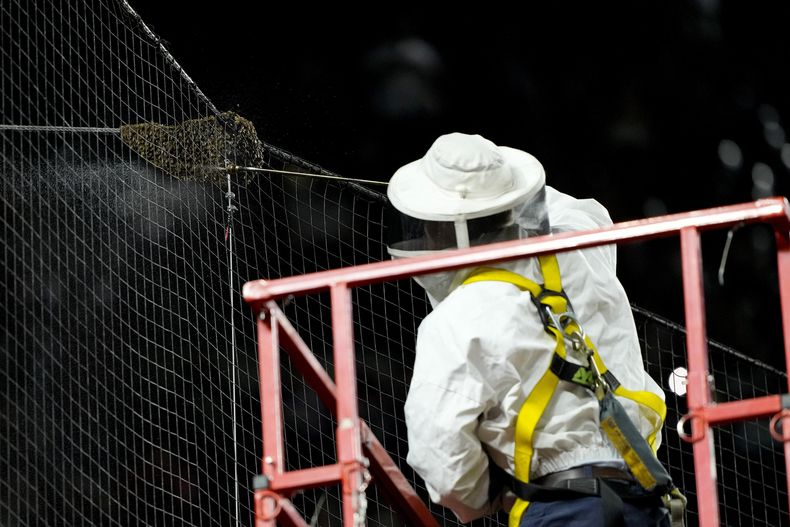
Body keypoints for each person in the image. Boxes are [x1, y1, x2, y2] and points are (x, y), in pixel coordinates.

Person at [387, 132, 677, 526]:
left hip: (561, 507)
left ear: (442, 230)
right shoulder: (579, 244)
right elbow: (575, 208)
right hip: (646, 501)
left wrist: (489, 498)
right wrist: (494, 183)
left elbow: (442, 457)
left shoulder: (457, 317)